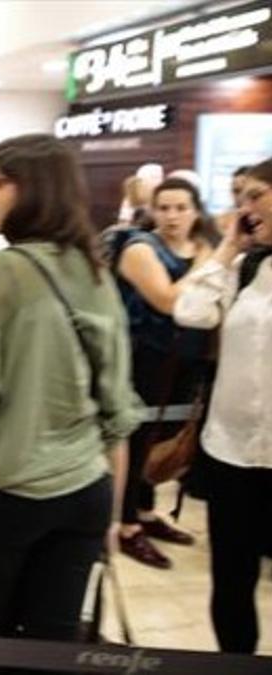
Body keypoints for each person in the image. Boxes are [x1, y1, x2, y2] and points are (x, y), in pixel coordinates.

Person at [0, 133, 141, 675]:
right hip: (85, 493)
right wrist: (110, 516)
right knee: (53, 652)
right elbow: (117, 415)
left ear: (34, 190)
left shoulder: (0, 270)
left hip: (5, 498)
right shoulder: (95, 270)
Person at [174, 157, 272, 654]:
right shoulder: (241, 267)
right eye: (241, 197)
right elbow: (189, 311)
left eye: (256, 196)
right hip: (231, 451)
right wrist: (228, 247)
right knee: (232, 578)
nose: (245, 208)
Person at [112, 177, 216, 569]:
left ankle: (145, 511)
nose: (172, 216)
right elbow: (169, 300)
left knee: (165, 437)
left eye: (181, 208)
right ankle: (126, 525)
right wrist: (212, 262)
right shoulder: (140, 247)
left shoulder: (202, 248)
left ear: (195, 211)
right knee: (137, 438)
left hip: (188, 358)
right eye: (164, 208)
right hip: (145, 357)